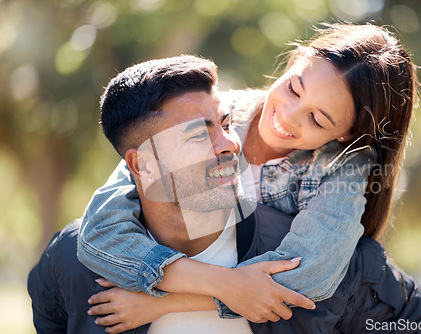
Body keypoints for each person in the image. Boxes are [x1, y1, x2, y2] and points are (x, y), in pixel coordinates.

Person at [77, 22, 421, 327]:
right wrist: (218, 283)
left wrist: (165, 302)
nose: (288, 116)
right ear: (293, 62)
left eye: (317, 119)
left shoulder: (345, 164)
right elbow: (102, 230)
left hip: (384, 312)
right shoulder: (209, 115)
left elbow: (310, 274)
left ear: (348, 133)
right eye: (293, 88)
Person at [27, 55, 316, 334]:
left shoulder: (293, 247)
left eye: (226, 125)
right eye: (199, 136)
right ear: (143, 164)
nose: (229, 144)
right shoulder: (69, 261)